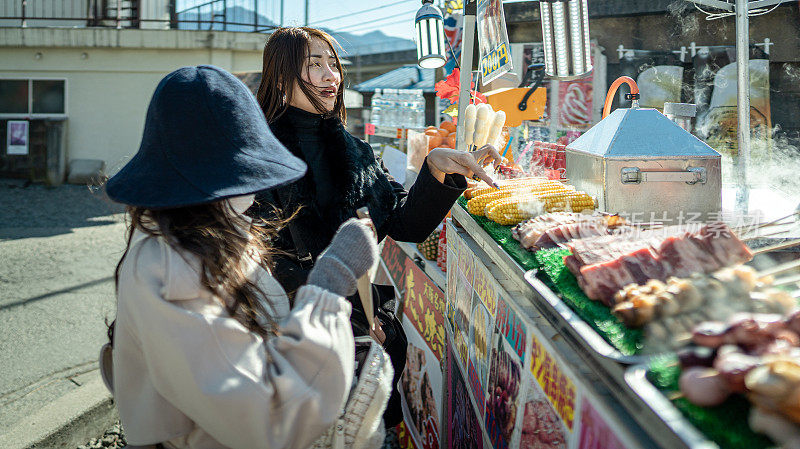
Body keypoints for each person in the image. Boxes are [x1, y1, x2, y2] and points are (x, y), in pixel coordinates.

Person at [104, 65, 388, 449]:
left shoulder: (206, 236)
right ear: (216, 178)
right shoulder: (171, 270)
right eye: (247, 169)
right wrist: (327, 287)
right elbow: (270, 418)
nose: (258, 187)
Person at [251, 27, 503, 426]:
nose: (330, 76)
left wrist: (435, 167)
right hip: (288, 345)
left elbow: (404, 224)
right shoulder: (260, 154)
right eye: (313, 65)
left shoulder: (356, 151)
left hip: (360, 342)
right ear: (281, 77)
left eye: (332, 64)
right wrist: (349, 318)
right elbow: (258, 262)